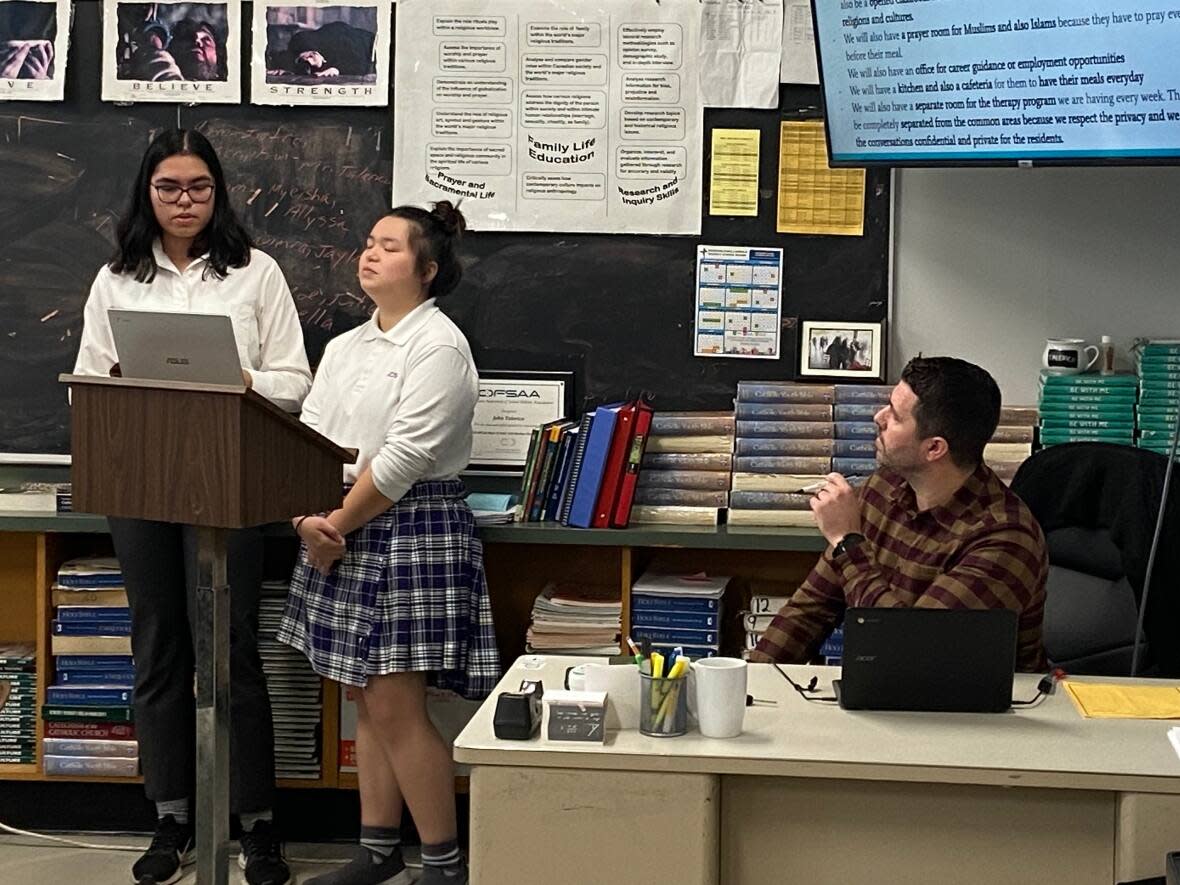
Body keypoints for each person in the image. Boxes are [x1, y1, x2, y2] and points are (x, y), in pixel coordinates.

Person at [73, 128, 312, 885]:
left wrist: (240, 378)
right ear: (147, 192)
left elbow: (296, 381)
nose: (184, 201)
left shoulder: (256, 273)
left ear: (219, 193)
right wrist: (117, 374)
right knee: (160, 644)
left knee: (232, 647)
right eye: (169, 187)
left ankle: (257, 826)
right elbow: (85, 382)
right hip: (138, 478)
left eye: (198, 188)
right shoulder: (117, 278)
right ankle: (170, 814)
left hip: (229, 481)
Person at [278, 201, 500, 885]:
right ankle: (378, 851)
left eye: (391, 247)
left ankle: (443, 863)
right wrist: (304, 521)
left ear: (427, 270)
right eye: (368, 243)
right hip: (334, 520)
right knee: (364, 698)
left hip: (408, 526)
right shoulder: (345, 346)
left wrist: (333, 526)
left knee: (398, 704)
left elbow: (402, 459)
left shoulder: (439, 346)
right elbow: (304, 442)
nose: (370, 255)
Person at [749, 356, 1048, 671]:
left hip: (974, 711)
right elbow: (811, 608)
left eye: (894, 415)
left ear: (934, 448)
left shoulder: (1003, 539)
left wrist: (848, 542)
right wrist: (750, 681)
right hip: (894, 700)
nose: (877, 417)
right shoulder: (885, 486)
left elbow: (906, 656)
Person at [267, 20, 377, 78]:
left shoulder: (341, 48)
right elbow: (280, 57)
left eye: (310, 57)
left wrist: (337, 70)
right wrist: (284, 69)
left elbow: (361, 65)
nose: (308, 59)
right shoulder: (299, 45)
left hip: (366, 43)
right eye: (306, 60)